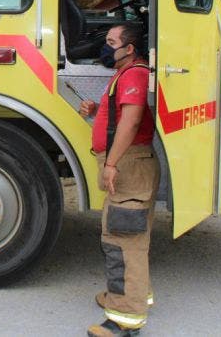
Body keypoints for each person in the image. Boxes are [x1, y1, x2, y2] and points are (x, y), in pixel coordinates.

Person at [79, 23, 159, 337]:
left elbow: (133, 119)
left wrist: (111, 163)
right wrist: (97, 111)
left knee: (123, 240)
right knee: (131, 237)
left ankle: (125, 319)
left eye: (111, 41)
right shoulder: (125, 74)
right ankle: (132, 294)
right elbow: (122, 116)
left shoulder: (135, 74)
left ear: (129, 48)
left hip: (129, 166)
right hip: (130, 165)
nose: (104, 46)